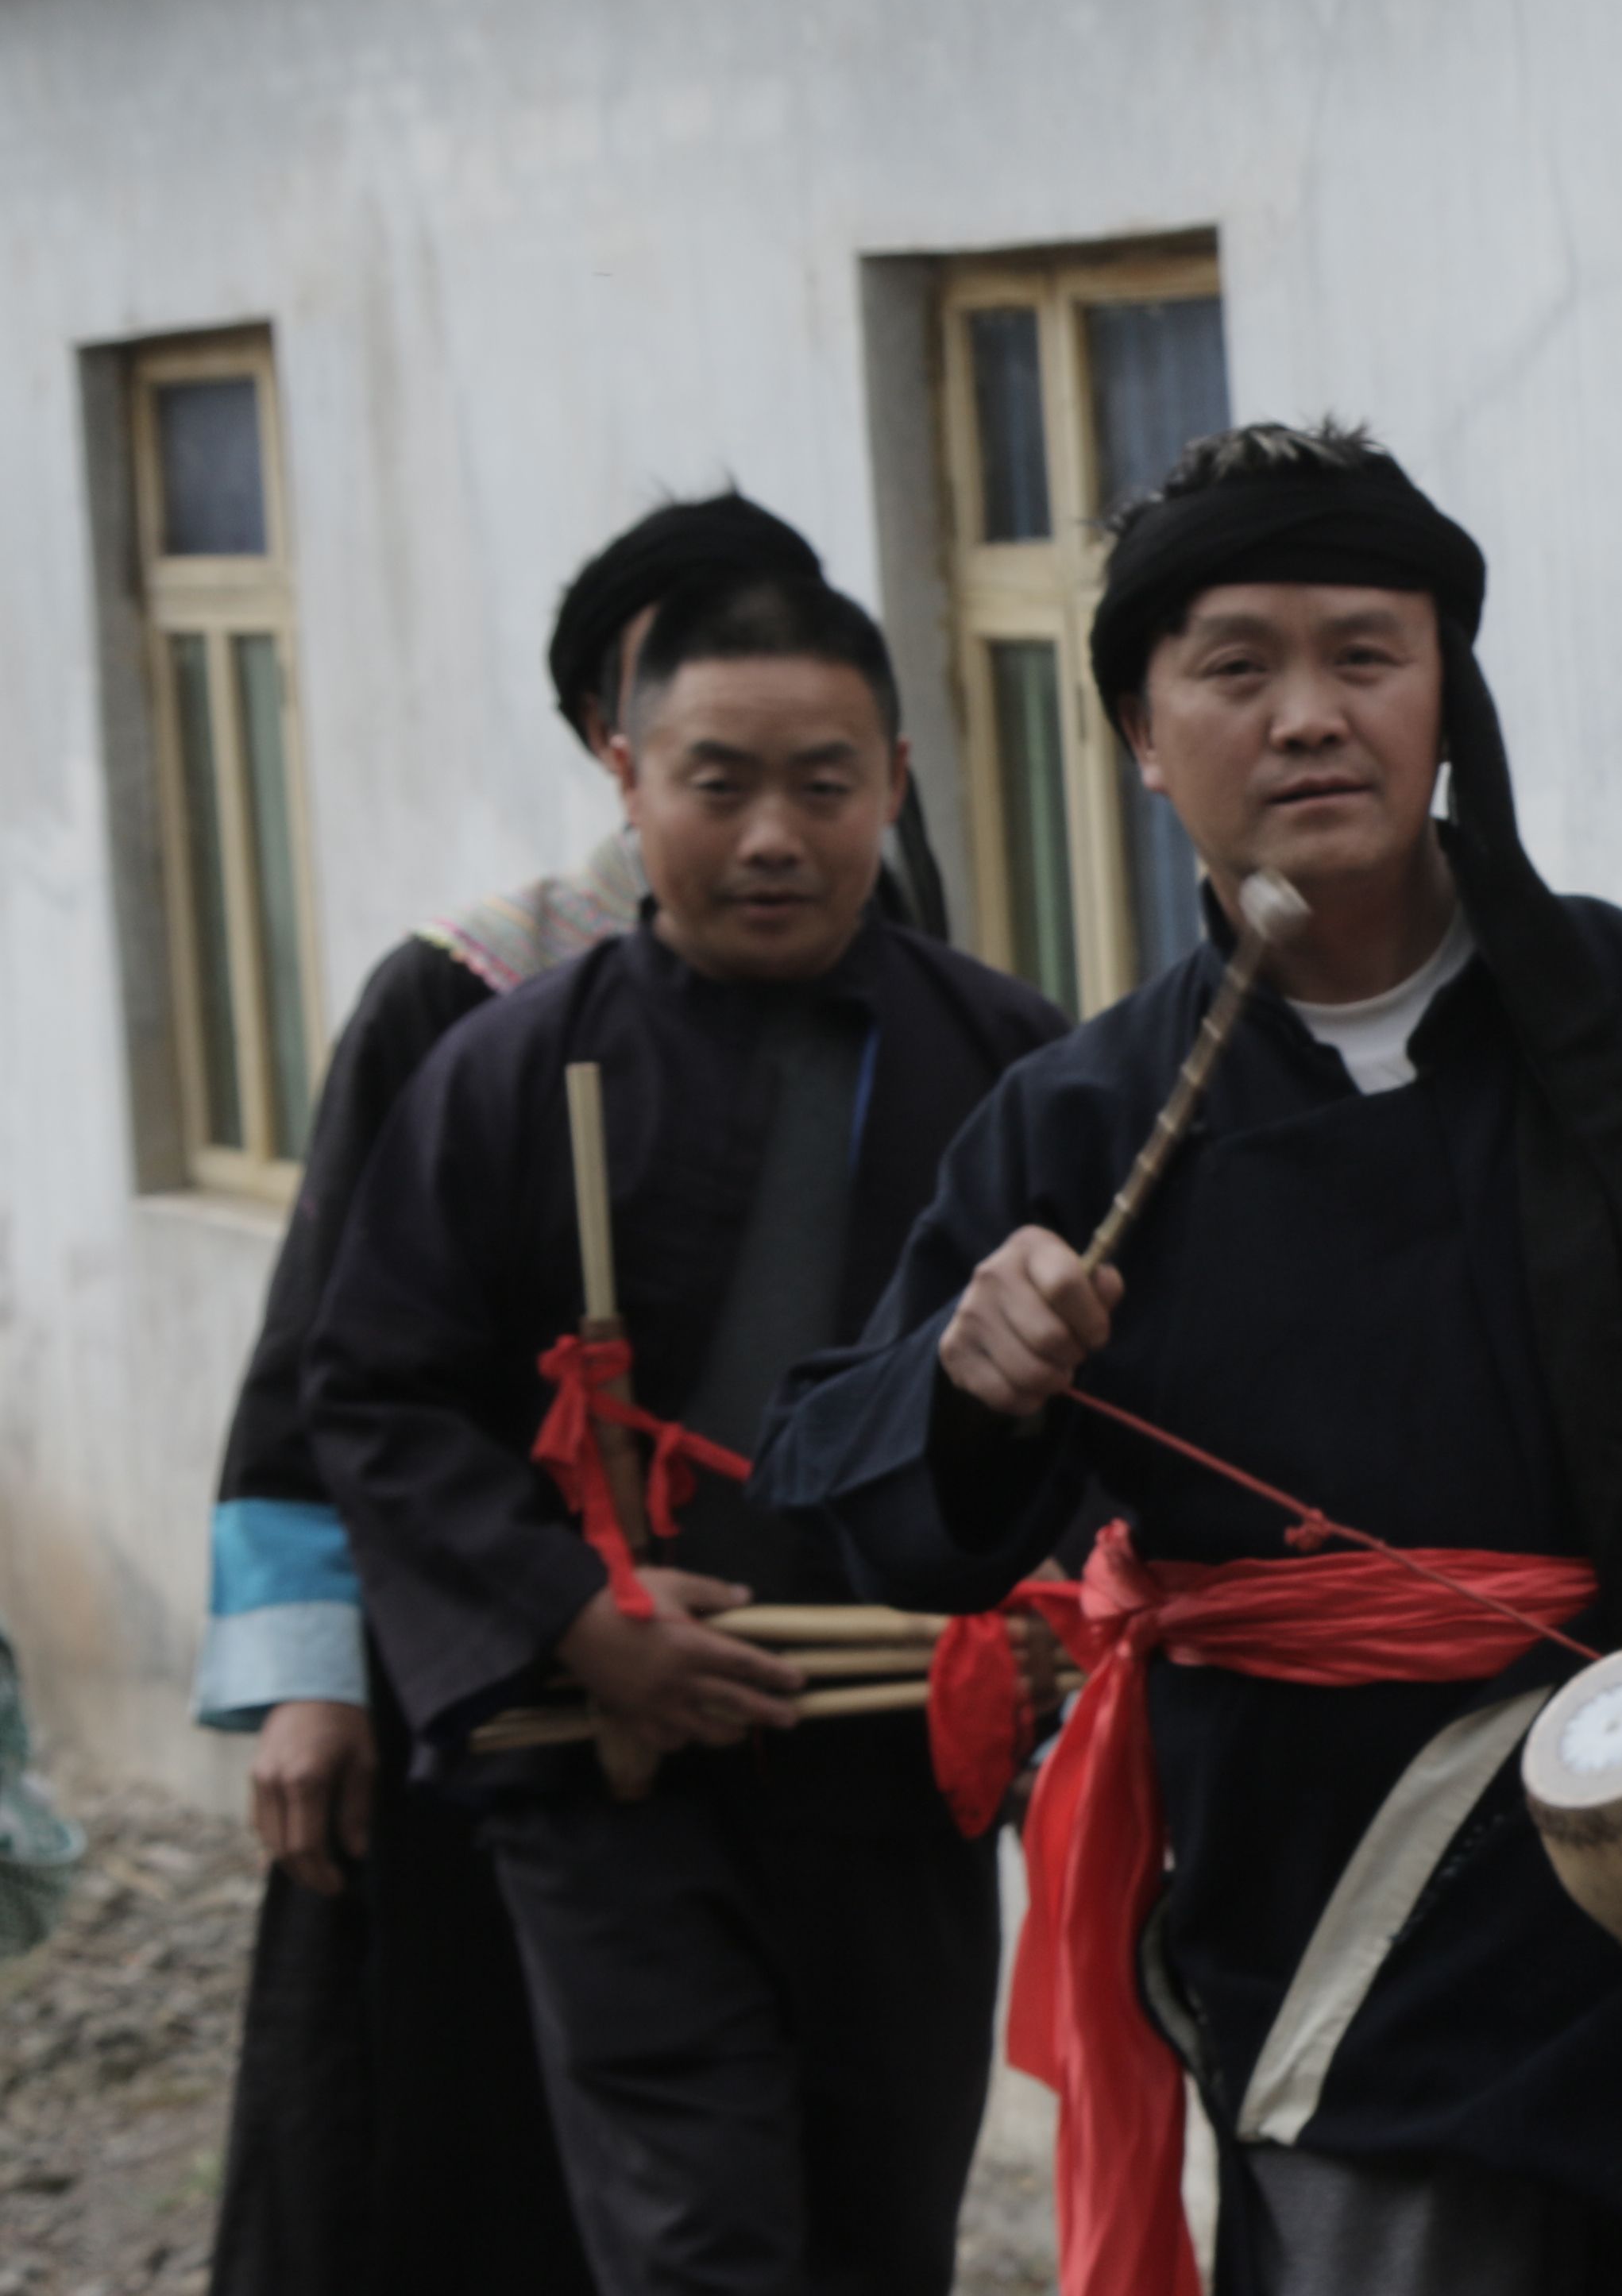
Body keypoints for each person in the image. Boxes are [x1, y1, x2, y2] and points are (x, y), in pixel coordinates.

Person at [753, 421, 1622, 2296]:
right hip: (1349, 1914)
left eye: (1366, 655)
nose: (1309, 716)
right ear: (1140, 733)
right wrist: (970, 1379)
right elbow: (846, 1474)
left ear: (1445, 696)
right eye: (1237, 667)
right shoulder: (1077, 1125)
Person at [307, 574, 1064, 2296]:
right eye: (718, 785)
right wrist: (569, 1611)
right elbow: (377, 1390)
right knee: (695, 2243)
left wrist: (1048, 1620)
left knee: (883, 2228)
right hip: (610, 1770)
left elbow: (1114, 1408)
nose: (773, 836)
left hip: (896, 1766)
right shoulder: (509, 1072)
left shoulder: (1015, 1066)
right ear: (629, 782)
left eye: (825, 784)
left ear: (894, 784)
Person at [199, 489, 909, 2296]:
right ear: (619, 742)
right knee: (479, 2120)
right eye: (702, 741)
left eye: (812, 763)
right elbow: (337, 1361)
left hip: (831, 1705)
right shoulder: (468, 999)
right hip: (516, 1660)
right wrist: (317, 1680)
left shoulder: (932, 1005)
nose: (768, 821)